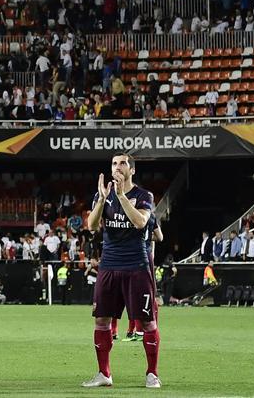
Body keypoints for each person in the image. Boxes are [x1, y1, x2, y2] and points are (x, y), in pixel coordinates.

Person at [82, 154, 160, 390]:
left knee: (147, 322)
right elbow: (92, 226)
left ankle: (152, 374)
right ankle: (104, 373)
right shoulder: (103, 194)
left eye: (122, 163)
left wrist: (121, 197)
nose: (117, 167)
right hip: (109, 265)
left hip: (136, 266)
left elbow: (140, 222)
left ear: (132, 170)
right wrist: (101, 200)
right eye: (114, 163)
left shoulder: (143, 195)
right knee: (102, 319)